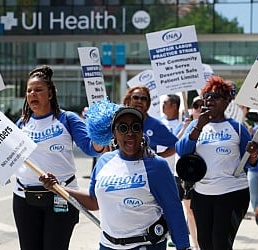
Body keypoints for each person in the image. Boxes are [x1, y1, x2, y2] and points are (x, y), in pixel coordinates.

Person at [39, 107, 191, 250]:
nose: (130, 132)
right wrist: (57, 188)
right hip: (107, 245)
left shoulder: (157, 166)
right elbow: (93, 201)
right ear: (114, 133)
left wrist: (183, 246)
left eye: (135, 127)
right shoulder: (104, 161)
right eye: (123, 128)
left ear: (142, 131)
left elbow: (173, 210)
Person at [12, 65, 104, 250]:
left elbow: (92, 149)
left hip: (61, 196)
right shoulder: (21, 123)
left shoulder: (67, 119)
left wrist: (100, 133)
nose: (32, 94)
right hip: (24, 198)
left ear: (51, 94)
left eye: (38, 90)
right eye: (29, 90)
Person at [176, 75, 258, 250]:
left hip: (232, 192)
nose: (210, 100)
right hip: (202, 194)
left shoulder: (237, 127)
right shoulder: (196, 125)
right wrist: (199, 126)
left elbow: (250, 161)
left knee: (220, 243)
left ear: (227, 101)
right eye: (207, 96)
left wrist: (253, 154)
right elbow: (181, 151)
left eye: (215, 96)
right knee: (205, 243)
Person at [172, 96, 204, 249]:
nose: (199, 108)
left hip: (201, 174)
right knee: (189, 212)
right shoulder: (185, 125)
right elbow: (175, 145)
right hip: (184, 174)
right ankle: (196, 245)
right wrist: (185, 128)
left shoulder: (210, 126)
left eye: (202, 105)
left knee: (199, 212)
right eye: (196, 105)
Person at [122, 86, 178, 161]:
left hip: (146, 171)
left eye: (143, 99)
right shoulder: (118, 122)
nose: (139, 101)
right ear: (128, 101)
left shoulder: (155, 125)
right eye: (135, 97)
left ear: (147, 104)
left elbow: (176, 145)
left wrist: (157, 157)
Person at [160, 94, 181, 174]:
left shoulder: (182, 123)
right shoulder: (159, 122)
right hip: (160, 168)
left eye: (165, 102)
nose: (163, 105)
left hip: (175, 171)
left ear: (174, 106)